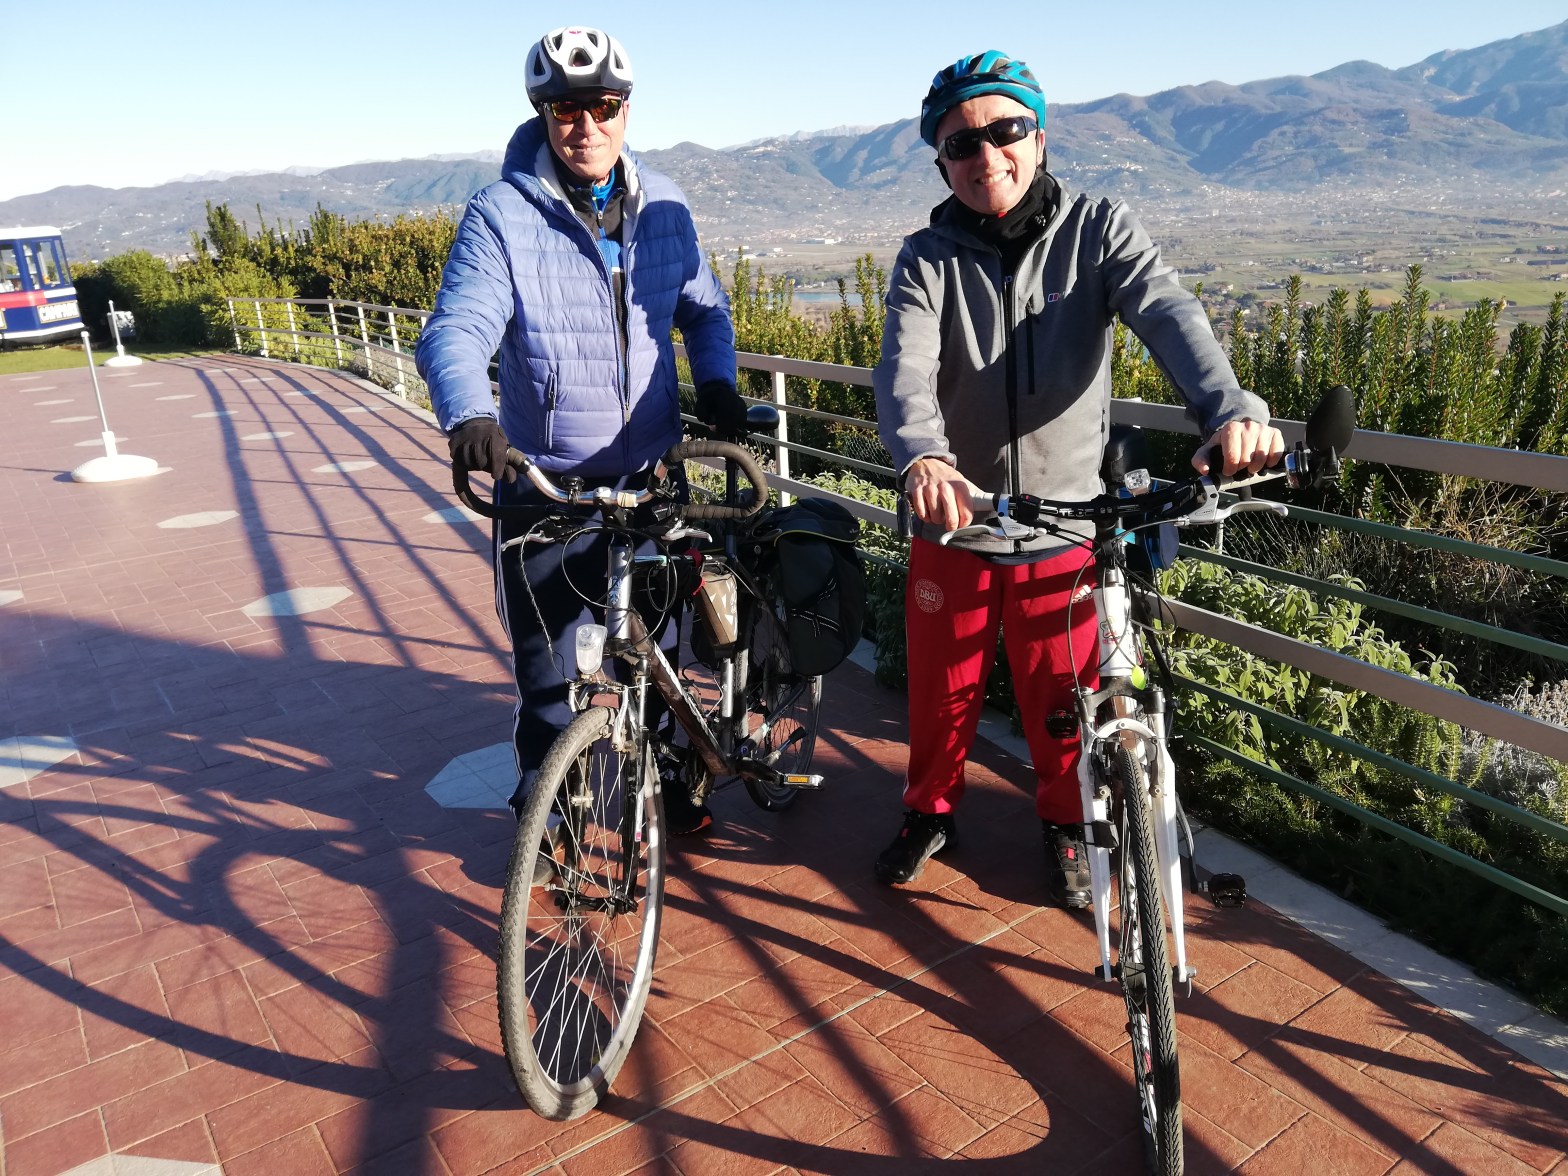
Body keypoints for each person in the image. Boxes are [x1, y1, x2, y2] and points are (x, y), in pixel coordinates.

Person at [871, 51, 1284, 904]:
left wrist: (1229, 410)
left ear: (1040, 137)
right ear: (941, 162)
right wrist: (922, 456)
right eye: (960, 143)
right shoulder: (926, 258)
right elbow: (903, 370)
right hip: (956, 515)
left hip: (1064, 521)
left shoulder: (1099, 230)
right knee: (940, 695)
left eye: (1005, 130)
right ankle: (929, 811)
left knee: (1064, 700)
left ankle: (1068, 823)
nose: (986, 154)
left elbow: (1168, 312)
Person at [415, 25, 748, 836]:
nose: (586, 126)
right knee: (545, 675)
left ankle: (667, 779)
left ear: (626, 109)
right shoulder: (500, 215)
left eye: (602, 106)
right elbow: (456, 328)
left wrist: (717, 385)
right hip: (545, 484)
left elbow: (706, 311)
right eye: (566, 109)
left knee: (653, 652)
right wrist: (470, 415)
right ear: (543, 114)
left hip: (651, 478)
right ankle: (550, 814)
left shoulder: (665, 207)